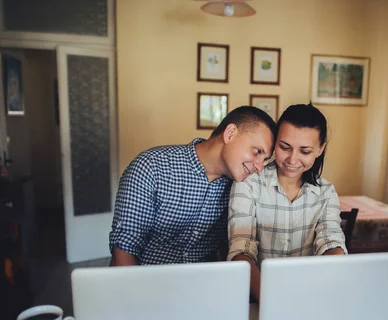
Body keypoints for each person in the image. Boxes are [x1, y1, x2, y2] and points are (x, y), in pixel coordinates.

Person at [109, 106, 276, 266]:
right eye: (256, 152)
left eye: (265, 159)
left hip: (205, 286)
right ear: (230, 134)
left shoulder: (241, 187)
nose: (259, 167)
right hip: (149, 283)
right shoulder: (152, 167)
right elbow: (124, 252)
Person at [227, 103, 346, 301]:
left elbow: (331, 241)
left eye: (305, 151)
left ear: (320, 149)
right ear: (275, 143)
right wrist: (272, 300)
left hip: (310, 296)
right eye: (285, 147)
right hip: (257, 297)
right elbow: (242, 249)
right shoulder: (249, 183)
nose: (292, 159)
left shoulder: (325, 192)